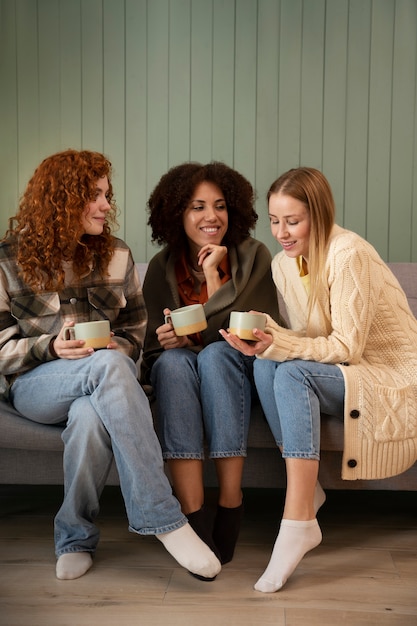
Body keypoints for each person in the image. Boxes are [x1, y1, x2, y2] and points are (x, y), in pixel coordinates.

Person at [0, 149, 221, 582]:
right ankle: (165, 518)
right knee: (108, 369)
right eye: (95, 196)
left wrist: (115, 349)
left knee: (91, 410)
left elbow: (134, 331)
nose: (106, 205)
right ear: (61, 200)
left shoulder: (116, 254)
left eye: (107, 194)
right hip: (36, 385)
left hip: (102, 382)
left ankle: (74, 538)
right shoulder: (7, 258)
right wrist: (49, 348)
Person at [220, 166, 417, 592]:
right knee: (265, 362)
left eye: (294, 221)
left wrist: (280, 343)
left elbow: (346, 347)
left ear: (320, 215)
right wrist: (267, 336)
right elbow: (308, 338)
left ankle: (297, 521)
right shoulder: (282, 264)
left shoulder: (349, 254)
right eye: (275, 221)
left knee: (288, 371)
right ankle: (310, 496)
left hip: (387, 373)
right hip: (343, 369)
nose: (282, 233)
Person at [140, 161, 283, 566]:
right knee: (171, 364)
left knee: (218, 354)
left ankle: (231, 501)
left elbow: (244, 333)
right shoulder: (160, 267)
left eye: (219, 206)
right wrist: (172, 341)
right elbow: (150, 352)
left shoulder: (254, 255)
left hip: (241, 374)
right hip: (183, 376)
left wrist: (213, 277)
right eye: (197, 207)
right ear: (176, 215)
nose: (211, 217)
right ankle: (192, 514)